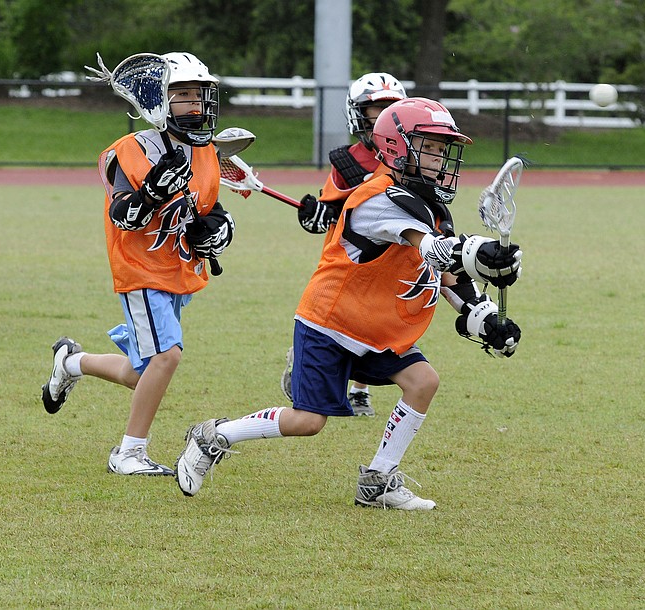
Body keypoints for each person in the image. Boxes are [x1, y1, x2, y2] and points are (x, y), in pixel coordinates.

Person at [174, 97, 523, 510]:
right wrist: (478, 252)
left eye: (442, 149)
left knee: (423, 381)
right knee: (308, 421)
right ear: (397, 147)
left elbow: (446, 274)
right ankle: (213, 436)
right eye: (429, 147)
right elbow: (431, 248)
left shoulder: (432, 207)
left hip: (378, 329)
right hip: (331, 323)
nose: (440, 158)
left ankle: (377, 480)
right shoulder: (377, 197)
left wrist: (481, 317)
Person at [41, 52, 235, 476]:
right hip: (139, 268)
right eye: (184, 95)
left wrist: (217, 231)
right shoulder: (132, 150)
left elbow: (207, 208)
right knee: (167, 357)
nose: (197, 105)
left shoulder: (203, 152)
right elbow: (124, 215)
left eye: (200, 95)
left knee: (139, 372)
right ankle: (128, 453)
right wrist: (151, 193)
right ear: (157, 99)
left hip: (176, 270)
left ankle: (70, 362)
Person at [281, 72, 408, 417]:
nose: (383, 116)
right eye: (375, 108)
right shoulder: (347, 160)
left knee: (380, 316)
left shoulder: (408, 161)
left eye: (390, 108)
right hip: (353, 258)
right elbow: (329, 210)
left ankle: (360, 388)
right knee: (352, 316)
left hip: (394, 256)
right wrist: (316, 211)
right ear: (358, 113)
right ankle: (319, 367)